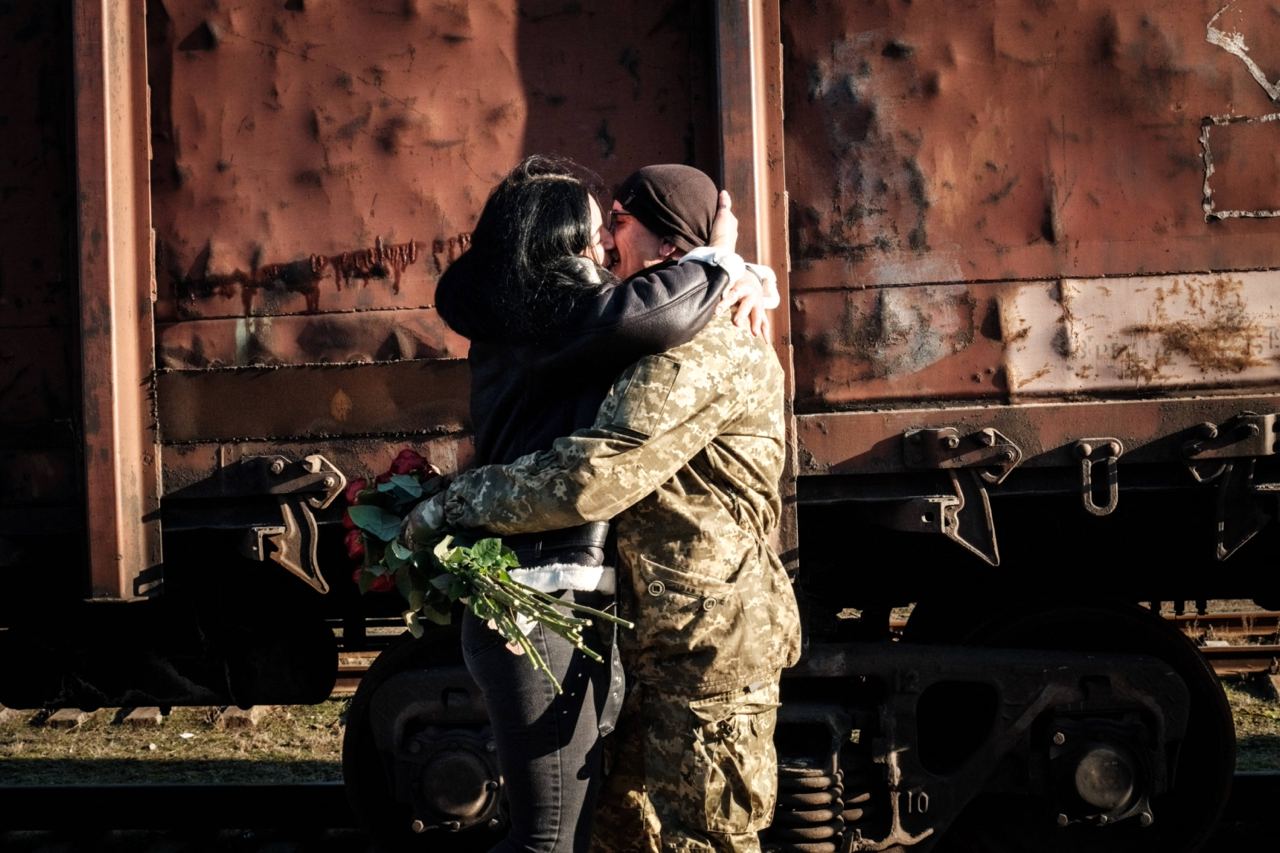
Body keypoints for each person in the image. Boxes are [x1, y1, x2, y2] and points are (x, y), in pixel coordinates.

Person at [421, 164, 801, 853]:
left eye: (618, 222)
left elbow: (593, 475)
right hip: (660, 638)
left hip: (706, 649)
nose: (600, 244)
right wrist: (733, 266)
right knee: (618, 834)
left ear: (670, 249)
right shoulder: (662, 332)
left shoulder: (703, 346)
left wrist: (457, 501)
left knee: (703, 839)